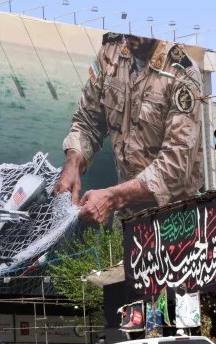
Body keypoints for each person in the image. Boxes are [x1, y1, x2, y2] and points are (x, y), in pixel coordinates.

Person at [54, 33, 203, 224]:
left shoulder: (182, 73)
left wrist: (111, 198)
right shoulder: (110, 53)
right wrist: (73, 163)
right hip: (127, 217)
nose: (129, 34)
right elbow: (87, 121)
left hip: (176, 220)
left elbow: (176, 167)